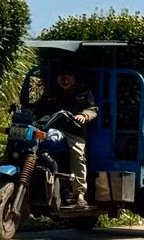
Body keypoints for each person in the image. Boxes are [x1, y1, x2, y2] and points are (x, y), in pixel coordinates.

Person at [33, 66, 98, 207]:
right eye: (62, 74)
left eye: (68, 74)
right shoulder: (52, 92)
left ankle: (80, 194)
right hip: (51, 129)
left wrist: (83, 115)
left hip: (73, 132)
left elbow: (92, 110)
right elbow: (38, 108)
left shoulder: (83, 92)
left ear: (74, 77)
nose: (65, 78)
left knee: (78, 154)